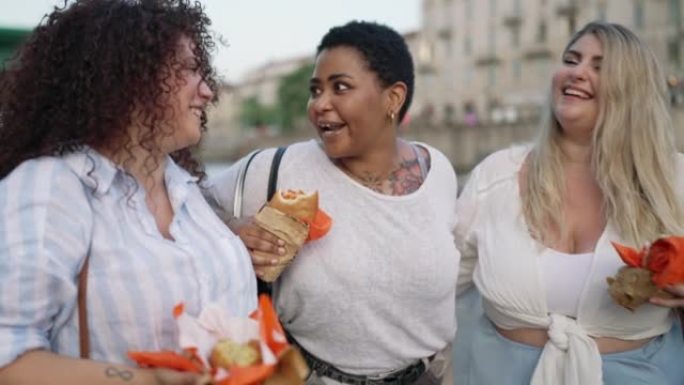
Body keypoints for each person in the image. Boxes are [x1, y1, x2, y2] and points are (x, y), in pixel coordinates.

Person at [0, 1, 256, 384]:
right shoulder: (52, 188)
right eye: (188, 69)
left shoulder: (186, 188)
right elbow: (8, 356)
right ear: (127, 77)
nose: (207, 91)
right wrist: (149, 380)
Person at [207, 21, 458, 385]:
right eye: (315, 89)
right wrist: (233, 231)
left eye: (340, 87)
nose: (319, 105)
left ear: (393, 98)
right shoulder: (276, 168)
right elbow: (186, 205)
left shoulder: (439, 172)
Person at [453, 21, 684, 385]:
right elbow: (438, 286)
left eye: (599, 66)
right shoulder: (495, 177)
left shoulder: (673, 182)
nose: (577, 72)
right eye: (571, 60)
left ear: (634, 89)